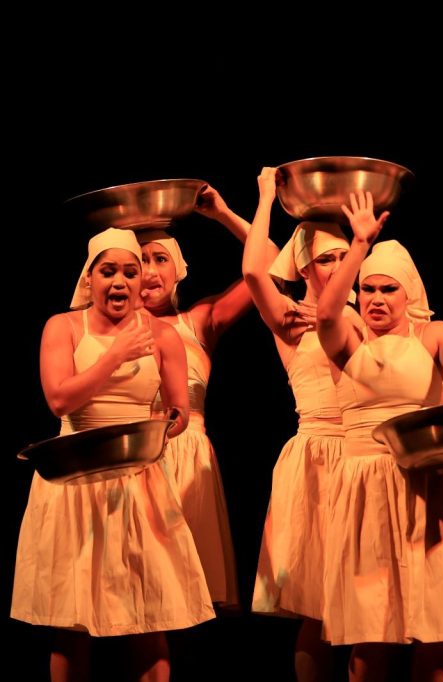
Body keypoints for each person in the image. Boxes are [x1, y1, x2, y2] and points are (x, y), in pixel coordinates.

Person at [316, 191, 443, 681]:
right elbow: (325, 314)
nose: (376, 299)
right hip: (365, 487)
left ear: (409, 296)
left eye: (388, 289)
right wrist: (359, 245)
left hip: (424, 484)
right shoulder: (348, 341)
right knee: (370, 629)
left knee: (433, 626)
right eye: (368, 289)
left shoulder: (434, 334)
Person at [12, 227, 213, 681]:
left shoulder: (163, 335)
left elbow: (179, 411)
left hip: (139, 481)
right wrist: (115, 355)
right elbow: (59, 400)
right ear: (90, 278)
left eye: (129, 272)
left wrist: (166, 425)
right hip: (74, 483)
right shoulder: (63, 327)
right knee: (72, 622)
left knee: (151, 614)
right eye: (108, 272)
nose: (120, 281)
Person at [242, 168, 356, 681]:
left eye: (343, 256)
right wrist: (265, 196)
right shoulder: (291, 320)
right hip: (316, 459)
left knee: (366, 603)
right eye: (326, 259)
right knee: (318, 609)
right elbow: (254, 270)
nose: (337, 265)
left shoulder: (374, 310)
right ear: (305, 267)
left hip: (364, 455)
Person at [136, 184, 257, 607]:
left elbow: (272, 266)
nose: (150, 270)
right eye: (139, 261)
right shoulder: (105, 333)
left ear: (178, 270)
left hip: (186, 462)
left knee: (185, 596)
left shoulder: (198, 322)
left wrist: (223, 214)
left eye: (160, 259)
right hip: (131, 460)